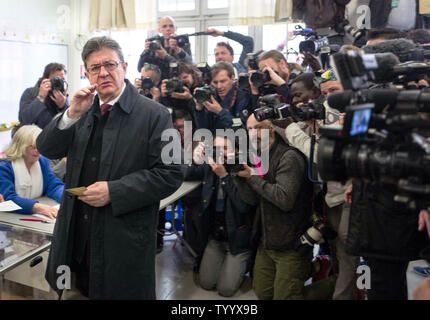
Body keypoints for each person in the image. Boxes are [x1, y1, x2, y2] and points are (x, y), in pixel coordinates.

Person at [36, 36, 184, 299]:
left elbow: (172, 174)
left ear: (124, 67)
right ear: (87, 73)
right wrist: (70, 115)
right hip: (76, 238)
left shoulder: (157, 115)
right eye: (94, 67)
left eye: (110, 65)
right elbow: (47, 148)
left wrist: (115, 191)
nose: (103, 72)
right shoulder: (81, 109)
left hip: (121, 241)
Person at [234, 114, 314, 300]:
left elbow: (284, 200)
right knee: (263, 292)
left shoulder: (289, 156)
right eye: (250, 129)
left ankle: (331, 285)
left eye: (259, 127)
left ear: (271, 128)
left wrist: (252, 177)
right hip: (267, 240)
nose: (254, 133)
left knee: (285, 296)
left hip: (291, 243)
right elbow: (252, 200)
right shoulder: (258, 157)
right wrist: (238, 177)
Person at [185, 134, 253, 297]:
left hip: (237, 241)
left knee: (226, 290)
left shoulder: (243, 169)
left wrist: (224, 176)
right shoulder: (211, 166)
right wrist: (195, 158)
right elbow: (186, 173)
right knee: (206, 283)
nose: (220, 153)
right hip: (216, 237)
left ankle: (245, 261)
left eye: (225, 148)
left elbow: (243, 206)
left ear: (236, 151)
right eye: (216, 149)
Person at [0, 125, 64, 219]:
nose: (38, 151)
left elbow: (54, 186)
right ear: (20, 146)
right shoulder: (5, 168)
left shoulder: (42, 162)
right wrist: (37, 207)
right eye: (33, 147)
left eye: (40, 146)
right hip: (10, 219)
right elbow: (8, 199)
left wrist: (67, 197)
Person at [194, 61, 250, 132]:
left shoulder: (242, 97)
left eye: (223, 81)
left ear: (232, 78)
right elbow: (203, 130)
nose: (219, 86)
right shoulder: (210, 95)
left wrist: (220, 111)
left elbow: (241, 127)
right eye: (215, 82)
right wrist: (199, 109)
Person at [137, 16, 192, 80]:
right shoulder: (155, 43)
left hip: (176, 80)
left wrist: (171, 53)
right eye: (164, 26)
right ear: (159, 30)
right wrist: (145, 52)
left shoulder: (182, 42)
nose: (168, 29)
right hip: (158, 81)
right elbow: (139, 68)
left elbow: (190, 65)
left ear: (175, 28)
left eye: (171, 26)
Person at [19, 63, 69, 129]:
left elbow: (69, 123)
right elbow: (24, 120)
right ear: (45, 79)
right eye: (55, 79)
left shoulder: (62, 95)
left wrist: (63, 106)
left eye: (61, 80)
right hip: (35, 136)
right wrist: (41, 97)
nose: (58, 83)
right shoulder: (30, 93)